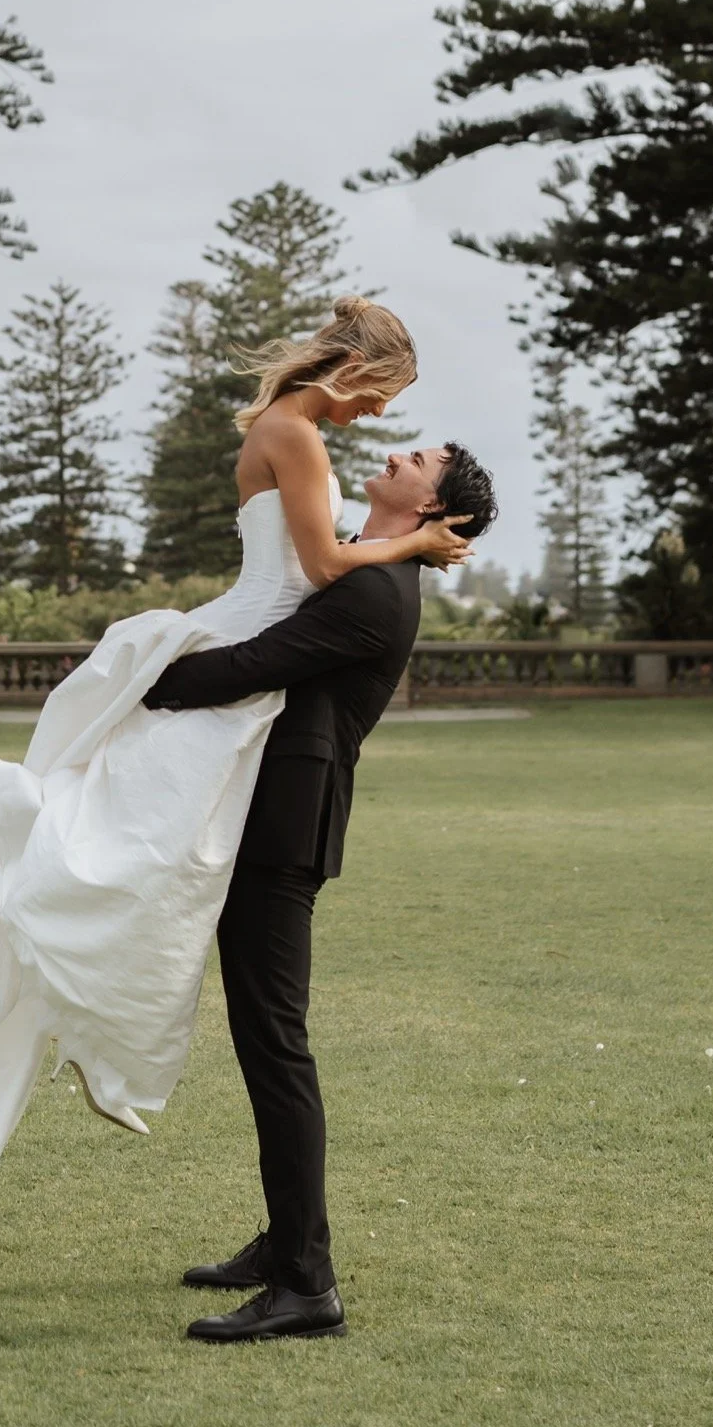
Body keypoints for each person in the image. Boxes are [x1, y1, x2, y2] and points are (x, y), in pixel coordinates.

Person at [0, 297, 472, 1178]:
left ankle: (99, 1031)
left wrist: (409, 543)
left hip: (249, 645)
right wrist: (416, 544)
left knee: (156, 840)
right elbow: (320, 569)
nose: (383, 418)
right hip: (248, 647)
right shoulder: (301, 435)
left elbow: (324, 565)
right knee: (142, 833)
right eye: (384, 394)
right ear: (354, 369)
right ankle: (0, 808)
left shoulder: (287, 430)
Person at [148, 432, 498, 1343]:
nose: (398, 452)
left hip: (284, 829)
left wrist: (140, 678)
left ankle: (307, 1281)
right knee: (266, 1040)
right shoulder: (366, 569)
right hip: (268, 818)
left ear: (430, 506)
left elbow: (252, 664)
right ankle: (284, 1247)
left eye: (420, 459)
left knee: (276, 1045)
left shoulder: (379, 595)